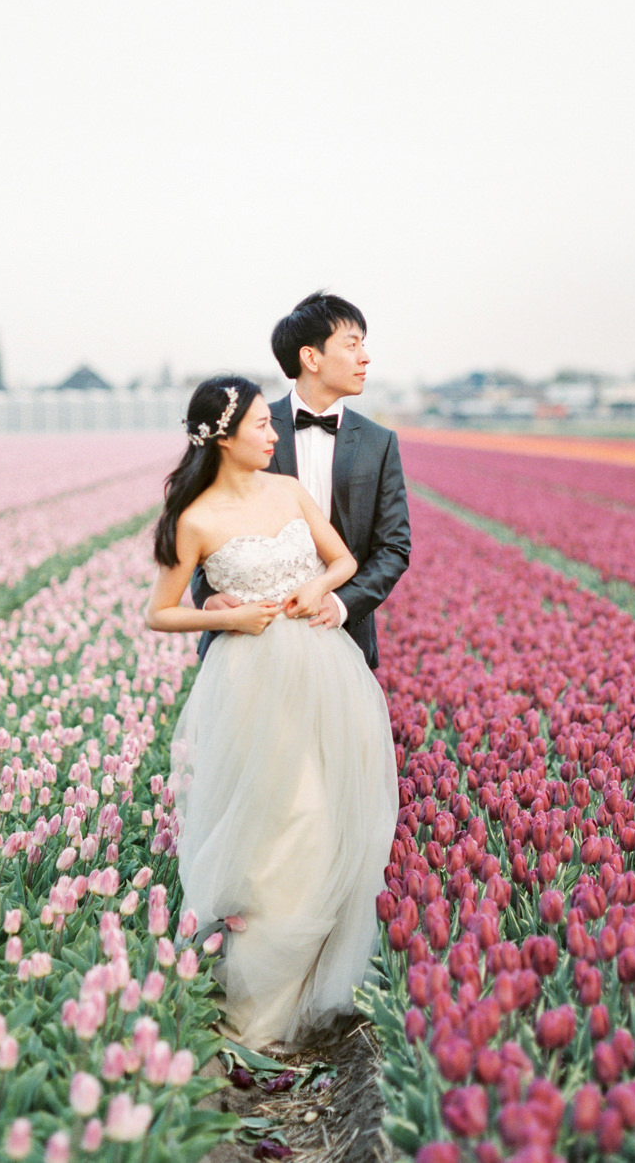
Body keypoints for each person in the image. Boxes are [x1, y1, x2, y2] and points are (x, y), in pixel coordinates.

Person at [146, 372, 400, 1050]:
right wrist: (223, 617)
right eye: (260, 425)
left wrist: (316, 586)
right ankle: (257, 1005)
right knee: (266, 823)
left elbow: (344, 558)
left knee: (319, 815)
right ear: (223, 438)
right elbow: (158, 612)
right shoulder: (195, 520)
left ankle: (312, 982)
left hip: (320, 666)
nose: (272, 434)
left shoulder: (288, 492)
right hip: (249, 674)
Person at [193, 291, 411, 671]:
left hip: (341, 636)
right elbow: (205, 521)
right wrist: (208, 596)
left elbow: (394, 546)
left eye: (364, 344)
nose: (365, 357)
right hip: (248, 641)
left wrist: (340, 603)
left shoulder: (379, 442)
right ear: (311, 357)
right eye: (352, 344)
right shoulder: (247, 429)